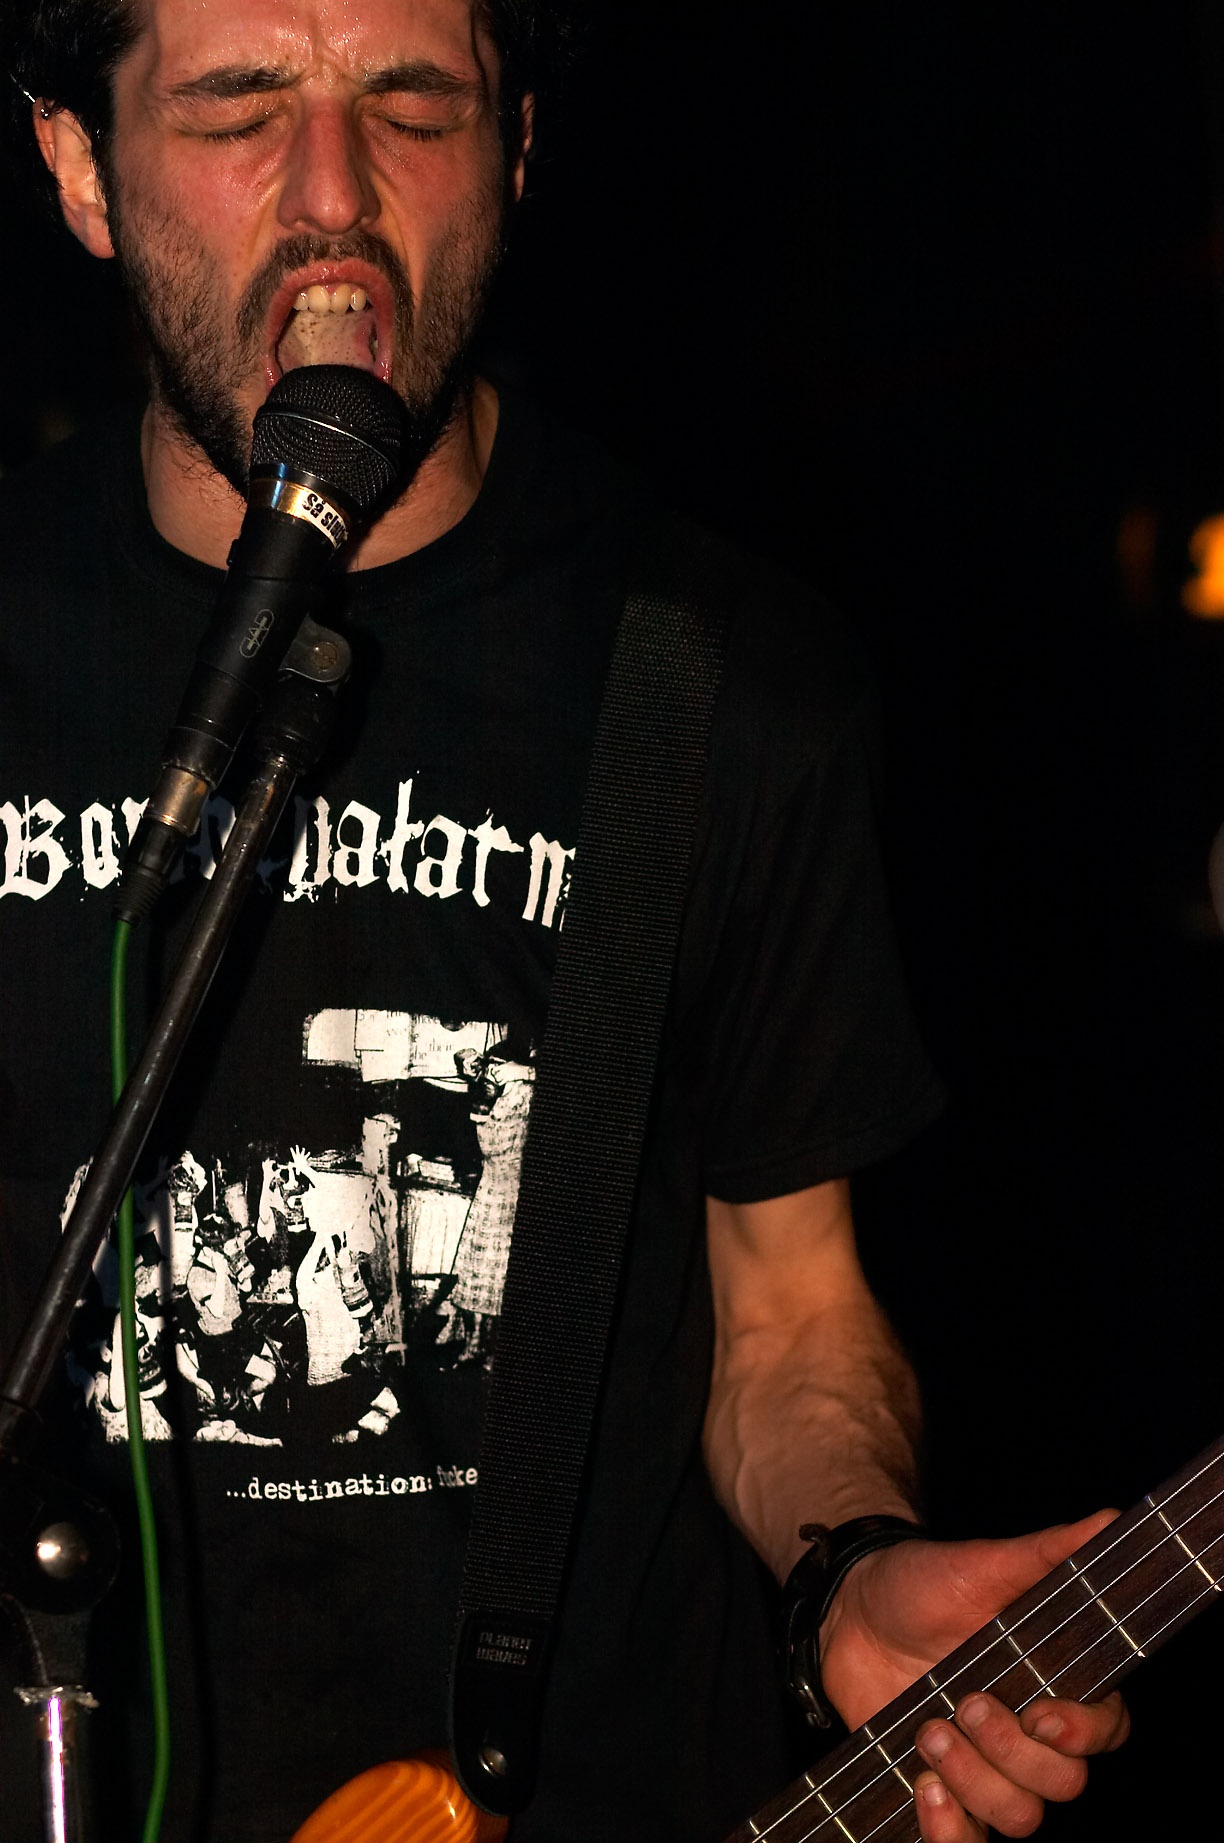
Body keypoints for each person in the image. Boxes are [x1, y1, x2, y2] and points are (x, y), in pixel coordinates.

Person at [0, 2, 1130, 1839]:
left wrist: (848, 1568)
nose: (333, 196)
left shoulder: (717, 681)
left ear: (517, 150)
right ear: (79, 168)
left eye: (411, 104)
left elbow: (788, 1321)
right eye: (238, 108)